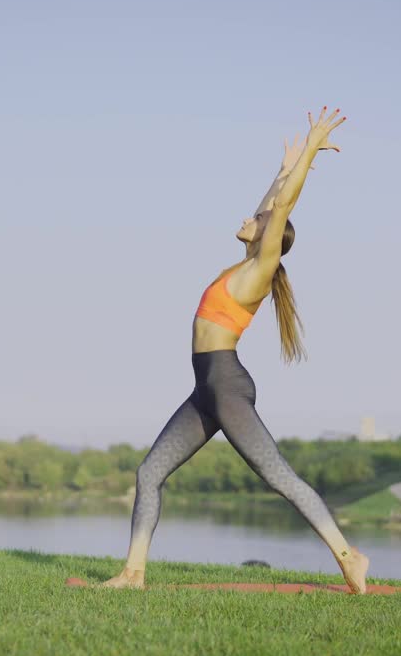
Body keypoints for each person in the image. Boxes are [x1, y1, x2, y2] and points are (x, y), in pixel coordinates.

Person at [103, 107, 369, 593]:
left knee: (278, 477)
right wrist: (282, 168)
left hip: (225, 386)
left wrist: (310, 152)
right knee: (149, 473)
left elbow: (282, 208)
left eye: (258, 219)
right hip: (204, 389)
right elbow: (273, 202)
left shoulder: (259, 271)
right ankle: (133, 574)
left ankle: (350, 558)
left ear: (269, 237)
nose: (250, 216)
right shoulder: (242, 263)